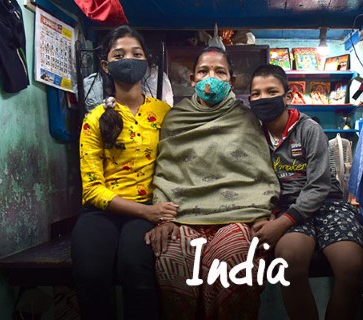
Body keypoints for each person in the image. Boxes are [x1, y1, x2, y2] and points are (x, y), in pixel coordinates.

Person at [144, 46, 280, 320]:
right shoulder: (175, 118)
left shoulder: (247, 118)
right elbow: (166, 171)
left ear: (232, 81)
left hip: (238, 217)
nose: (211, 78)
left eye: (220, 72)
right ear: (193, 79)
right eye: (204, 71)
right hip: (183, 218)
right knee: (172, 259)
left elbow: (259, 171)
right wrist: (164, 217)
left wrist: (261, 212)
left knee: (233, 258)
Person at [71, 25, 175, 320]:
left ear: (146, 63)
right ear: (106, 65)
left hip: (148, 208)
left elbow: (178, 167)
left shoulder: (165, 114)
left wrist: (159, 213)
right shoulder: (95, 118)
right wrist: (148, 214)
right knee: (90, 273)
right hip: (102, 212)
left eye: (136, 53)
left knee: (136, 267)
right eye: (119, 55)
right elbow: (92, 189)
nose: (128, 59)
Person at [248, 64, 363, 320]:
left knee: (352, 267)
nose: (263, 98)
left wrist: (281, 224)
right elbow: (254, 181)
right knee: (289, 261)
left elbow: (319, 185)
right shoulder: (254, 136)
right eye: (256, 94)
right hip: (284, 207)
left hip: (327, 204)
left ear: (288, 97)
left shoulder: (308, 129)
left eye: (271, 91)